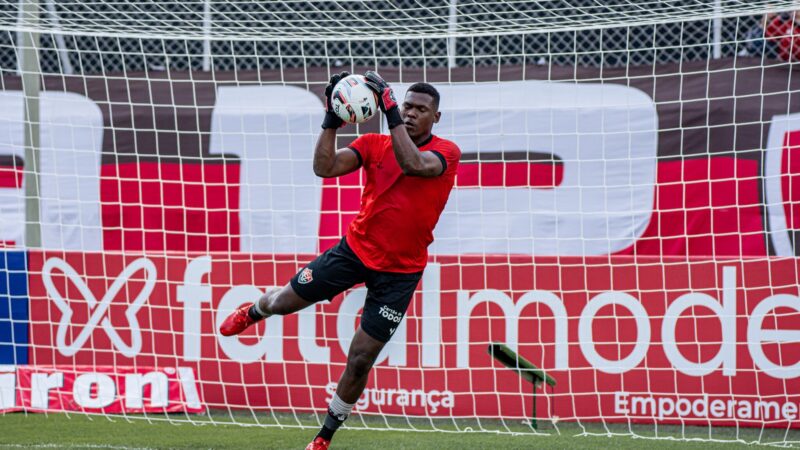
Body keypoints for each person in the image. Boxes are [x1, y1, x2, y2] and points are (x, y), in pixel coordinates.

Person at [218, 70, 461, 450]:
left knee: (361, 358)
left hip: (401, 272)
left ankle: (323, 437)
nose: (411, 113)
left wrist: (390, 111)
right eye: (407, 107)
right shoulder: (373, 143)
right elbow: (324, 167)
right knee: (282, 303)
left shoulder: (447, 152)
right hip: (354, 252)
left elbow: (414, 165)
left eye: (420, 109)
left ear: (436, 117)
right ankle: (253, 312)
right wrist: (331, 119)